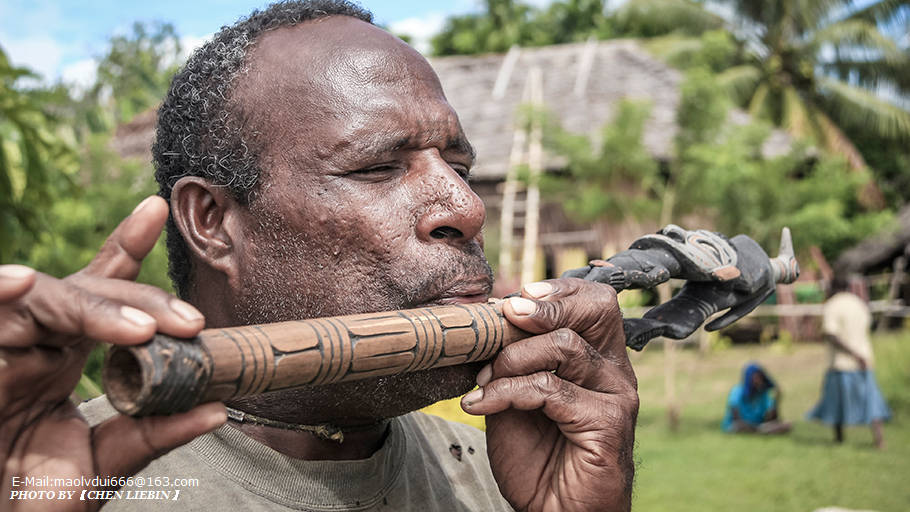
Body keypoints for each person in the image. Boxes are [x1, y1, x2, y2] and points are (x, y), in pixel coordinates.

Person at [0, 1, 639, 511]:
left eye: (461, 166)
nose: (467, 207)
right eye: (378, 167)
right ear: (213, 222)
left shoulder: (505, 476)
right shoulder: (64, 477)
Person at [808, 275, 890, 449]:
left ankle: (839, 440)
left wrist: (853, 354)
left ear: (832, 287)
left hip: (842, 363)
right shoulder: (859, 303)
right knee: (871, 403)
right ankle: (879, 441)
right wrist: (860, 355)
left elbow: (831, 334)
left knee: (836, 404)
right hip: (865, 361)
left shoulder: (832, 305)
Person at [722, 363, 791, 434]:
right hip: (741, 425)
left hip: (758, 425)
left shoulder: (762, 393)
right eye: (756, 378)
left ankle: (760, 431)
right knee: (739, 426)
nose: (758, 381)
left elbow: (771, 419)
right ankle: (761, 431)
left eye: (760, 377)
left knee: (786, 424)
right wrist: (756, 427)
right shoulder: (737, 391)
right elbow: (736, 418)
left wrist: (776, 400)